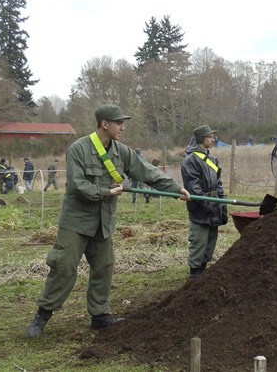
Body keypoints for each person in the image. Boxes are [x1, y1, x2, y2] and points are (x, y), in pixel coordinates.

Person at [27, 104, 190, 338]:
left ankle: (100, 316)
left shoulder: (122, 152)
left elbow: (147, 172)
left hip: (103, 221)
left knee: (104, 267)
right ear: (105, 124)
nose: (122, 127)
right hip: (76, 221)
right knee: (64, 266)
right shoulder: (79, 149)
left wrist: (176, 189)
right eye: (119, 123)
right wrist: (107, 192)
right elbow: (77, 185)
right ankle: (42, 315)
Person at [181, 124, 228, 279]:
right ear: (201, 139)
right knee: (199, 241)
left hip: (213, 204)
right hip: (200, 206)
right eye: (210, 137)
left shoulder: (213, 159)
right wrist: (208, 204)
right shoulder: (190, 160)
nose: (213, 139)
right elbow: (193, 188)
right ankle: (195, 274)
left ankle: (203, 269)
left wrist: (222, 203)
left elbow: (218, 183)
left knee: (210, 241)